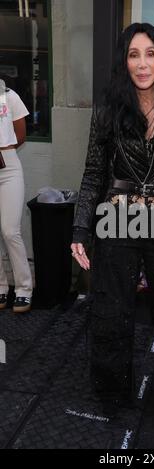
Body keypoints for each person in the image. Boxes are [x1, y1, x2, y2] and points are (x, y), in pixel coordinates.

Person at [71, 23, 154, 432]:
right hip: (118, 213)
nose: (143, 63)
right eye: (134, 54)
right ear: (123, 61)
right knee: (112, 312)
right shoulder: (108, 108)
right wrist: (80, 229)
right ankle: (112, 393)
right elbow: (94, 171)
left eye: (150, 53)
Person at [0, 79, 33, 313]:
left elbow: (20, 135)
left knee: (11, 230)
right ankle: (1, 287)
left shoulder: (9, 96)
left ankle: (24, 289)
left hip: (8, 166)